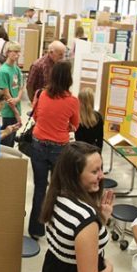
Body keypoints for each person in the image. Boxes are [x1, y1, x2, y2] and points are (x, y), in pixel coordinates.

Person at [35, 141, 114, 272]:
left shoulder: (57, 196)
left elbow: (69, 243)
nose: (101, 176)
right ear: (75, 174)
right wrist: (109, 269)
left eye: (101, 168)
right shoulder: (85, 219)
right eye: (94, 171)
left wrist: (102, 218)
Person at [28, 61, 80, 239]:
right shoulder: (72, 101)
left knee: (40, 188)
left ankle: (36, 229)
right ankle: (59, 226)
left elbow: (35, 116)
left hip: (38, 143)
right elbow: (75, 125)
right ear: (69, 78)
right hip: (60, 147)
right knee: (59, 187)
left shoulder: (41, 94)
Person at [0, 41, 24, 147]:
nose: (17, 54)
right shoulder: (3, 71)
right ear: (7, 52)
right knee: (6, 142)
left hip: (16, 106)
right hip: (9, 111)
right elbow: (6, 95)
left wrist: (17, 99)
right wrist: (16, 114)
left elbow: (21, 86)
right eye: (15, 52)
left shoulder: (16, 68)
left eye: (19, 52)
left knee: (11, 141)